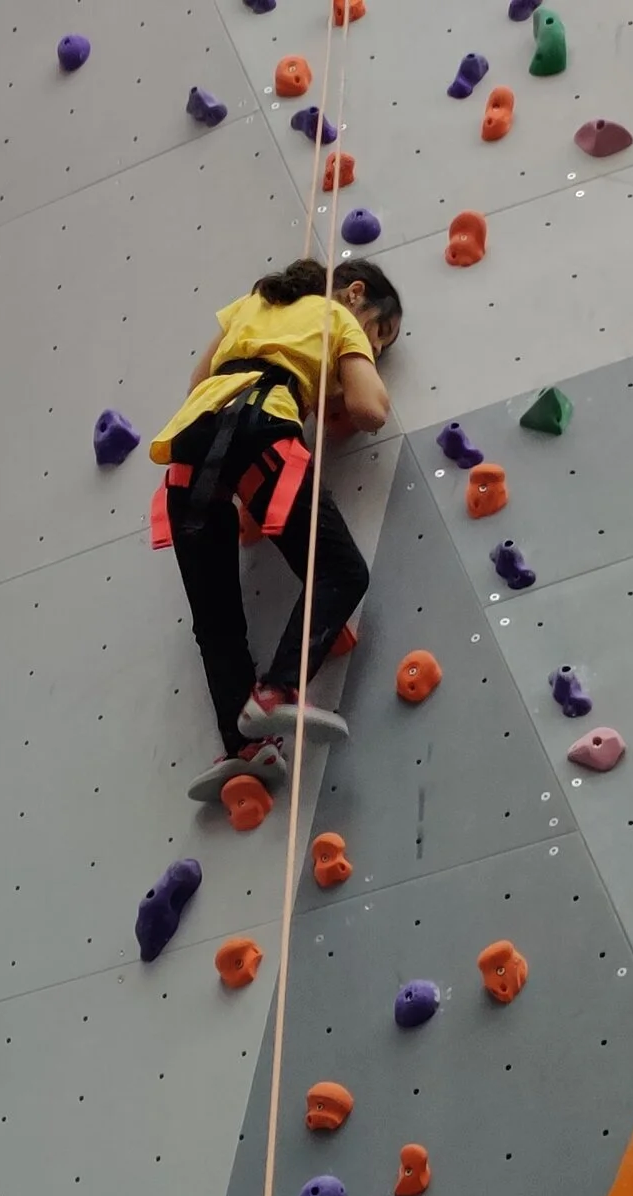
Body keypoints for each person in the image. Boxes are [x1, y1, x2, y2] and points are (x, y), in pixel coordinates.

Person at [152, 255, 402, 803]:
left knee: (215, 618)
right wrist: (342, 372)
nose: (376, 348)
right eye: (380, 334)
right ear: (355, 294)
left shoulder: (251, 304)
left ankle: (244, 748)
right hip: (262, 434)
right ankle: (277, 690)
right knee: (340, 570)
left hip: (189, 453)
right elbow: (370, 409)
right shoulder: (336, 318)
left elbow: (199, 383)